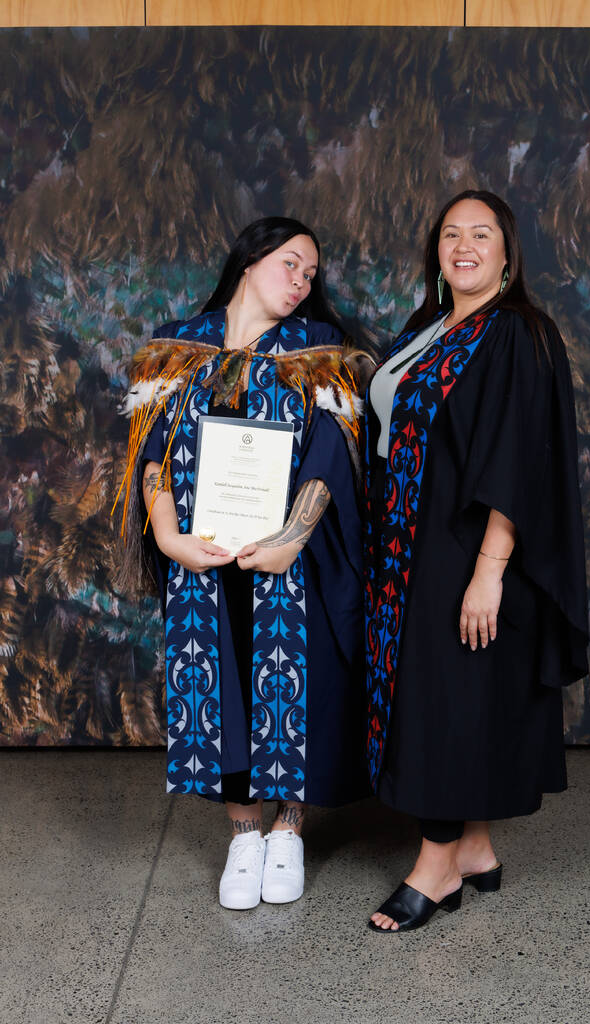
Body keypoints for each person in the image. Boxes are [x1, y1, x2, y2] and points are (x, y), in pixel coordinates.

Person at [115, 217, 367, 910]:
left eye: (310, 275)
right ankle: (243, 833)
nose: (300, 283)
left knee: (292, 684)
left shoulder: (316, 351)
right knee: (218, 686)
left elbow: (330, 461)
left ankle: (289, 828)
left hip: (287, 557)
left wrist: (291, 538)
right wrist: (167, 537)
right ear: (249, 261)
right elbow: (150, 455)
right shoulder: (179, 347)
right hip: (201, 556)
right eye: (290, 264)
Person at [364, 190, 589, 932]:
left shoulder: (517, 334)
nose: (463, 244)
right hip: (412, 548)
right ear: (435, 251)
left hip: (468, 551)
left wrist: (489, 569)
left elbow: (523, 459)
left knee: (445, 704)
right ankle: (477, 849)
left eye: (480, 234)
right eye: (450, 233)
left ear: (505, 252)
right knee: (457, 699)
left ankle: (433, 870)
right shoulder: (429, 327)